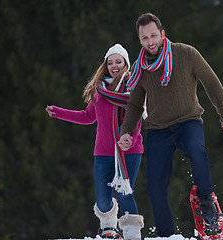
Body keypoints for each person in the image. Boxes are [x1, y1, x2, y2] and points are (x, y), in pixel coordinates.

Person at [118, 13, 223, 237]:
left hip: (188, 122)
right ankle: (166, 234)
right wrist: (126, 132)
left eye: (153, 35)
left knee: (197, 151)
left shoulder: (185, 53)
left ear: (162, 34)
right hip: (157, 130)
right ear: (140, 40)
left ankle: (206, 203)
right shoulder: (139, 67)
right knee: (155, 187)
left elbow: (211, 82)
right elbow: (134, 105)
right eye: (145, 38)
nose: (150, 41)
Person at [45, 44, 144, 240]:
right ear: (105, 65)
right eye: (110, 62)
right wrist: (58, 112)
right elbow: (87, 116)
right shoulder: (100, 90)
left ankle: (132, 234)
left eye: (118, 61)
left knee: (124, 193)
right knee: (102, 200)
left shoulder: (133, 87)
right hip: (103, 152)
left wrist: (129, 141)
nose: (114, 66)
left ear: (126, 63)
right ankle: (108, 227)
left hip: (129, 151)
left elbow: (137, 118)